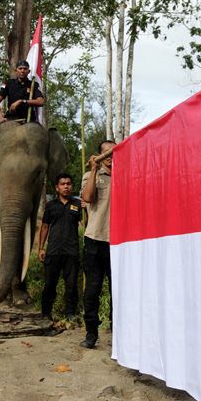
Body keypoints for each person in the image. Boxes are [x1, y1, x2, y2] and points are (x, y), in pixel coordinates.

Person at [79, 140, 115, 349]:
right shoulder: (90, 176)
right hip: (95, 240)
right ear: (100, 155)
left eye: (114, 152)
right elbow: (87, 197)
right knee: (92, 290)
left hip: (118, 243)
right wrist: (93, 170)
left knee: (117, 291)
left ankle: (116, 332)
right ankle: (91, 333)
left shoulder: (125, 175)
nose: (111, 156)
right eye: (106, 153)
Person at [37, 173, 82, 322]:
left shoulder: (77, 204)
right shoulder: (50, 206)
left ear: (72, 186)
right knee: (50, 284)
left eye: (68, 184)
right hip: (53, 251)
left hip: (72, 251)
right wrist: (41, 248)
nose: (66, 186)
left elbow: (84, 224)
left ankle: (70, 313)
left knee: (71, 285)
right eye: (62, 184)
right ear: (57, 188)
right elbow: (44, 227)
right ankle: (46, 313)